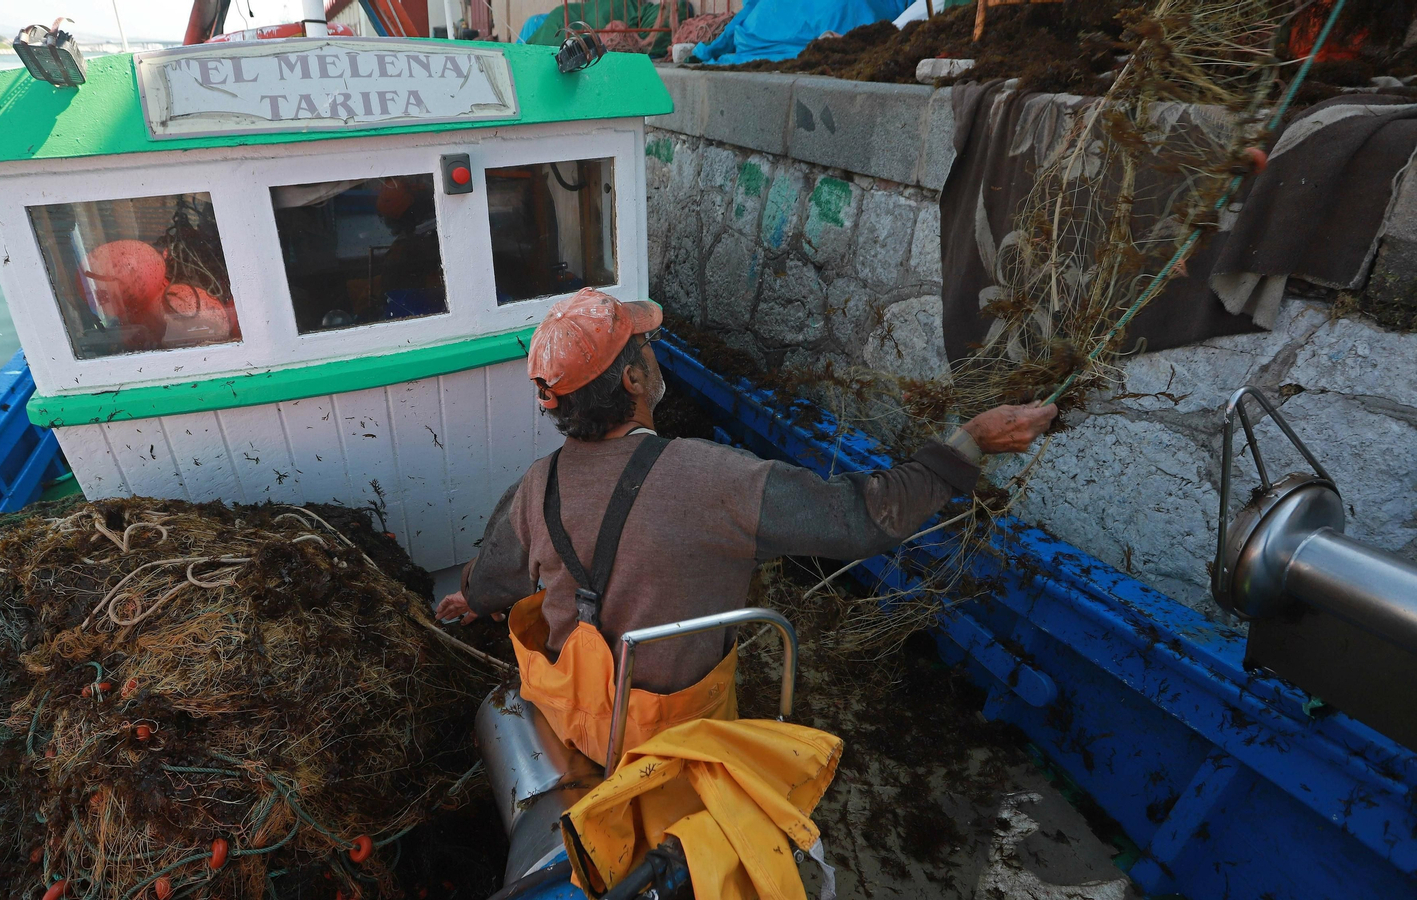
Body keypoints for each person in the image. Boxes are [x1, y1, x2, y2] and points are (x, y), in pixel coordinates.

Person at [435, 288, 1055, 763]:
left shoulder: (533, 487)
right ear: (632, 380)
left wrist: (469, 594)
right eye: (645, 348)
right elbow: (871, 517)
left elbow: (493, 579)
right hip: (677, 739)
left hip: (573, 726)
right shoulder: (718, 480)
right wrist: (971, 441)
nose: (654, 355)